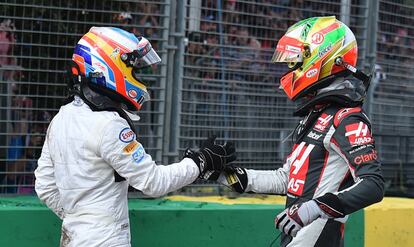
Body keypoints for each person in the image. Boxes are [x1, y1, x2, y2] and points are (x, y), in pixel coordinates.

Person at [34, 27, 236, 247]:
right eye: (132, 69)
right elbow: (153, 182)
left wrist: (81, 221)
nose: (137, 76)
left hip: (73, 238)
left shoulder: (61, 117)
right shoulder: (110, 125)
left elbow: (44, 186)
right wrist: (200, 162)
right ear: (107, 66)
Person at [207, 16, 384, 246]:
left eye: (295, 61)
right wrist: (225, 175)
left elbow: (373, 184)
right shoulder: (316, 115)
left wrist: (313, 208)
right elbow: (287, 179)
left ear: (323, 58)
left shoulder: (346, 118)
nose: (290, 68)